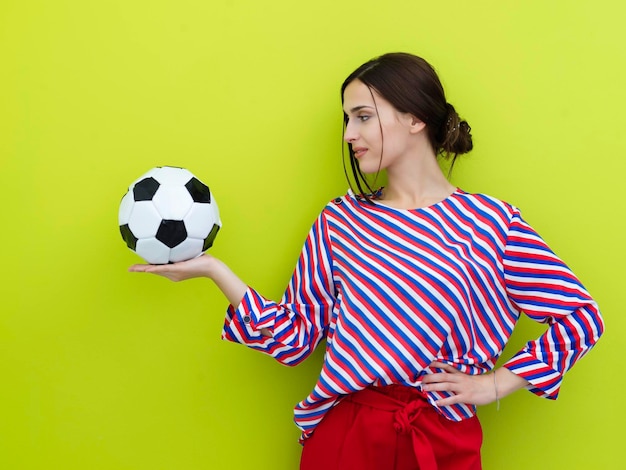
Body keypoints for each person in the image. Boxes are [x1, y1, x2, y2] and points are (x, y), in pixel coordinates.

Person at [129, 52, 604, 470]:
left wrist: (494, 384)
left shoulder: (493, 223)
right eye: (346, 120)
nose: (349, 135)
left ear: (414, 117)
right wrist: (216, 270)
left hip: (442, 442)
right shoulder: (341, 222)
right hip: (347, 438)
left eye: (362, 116)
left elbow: (581, 319)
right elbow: (295, 340)